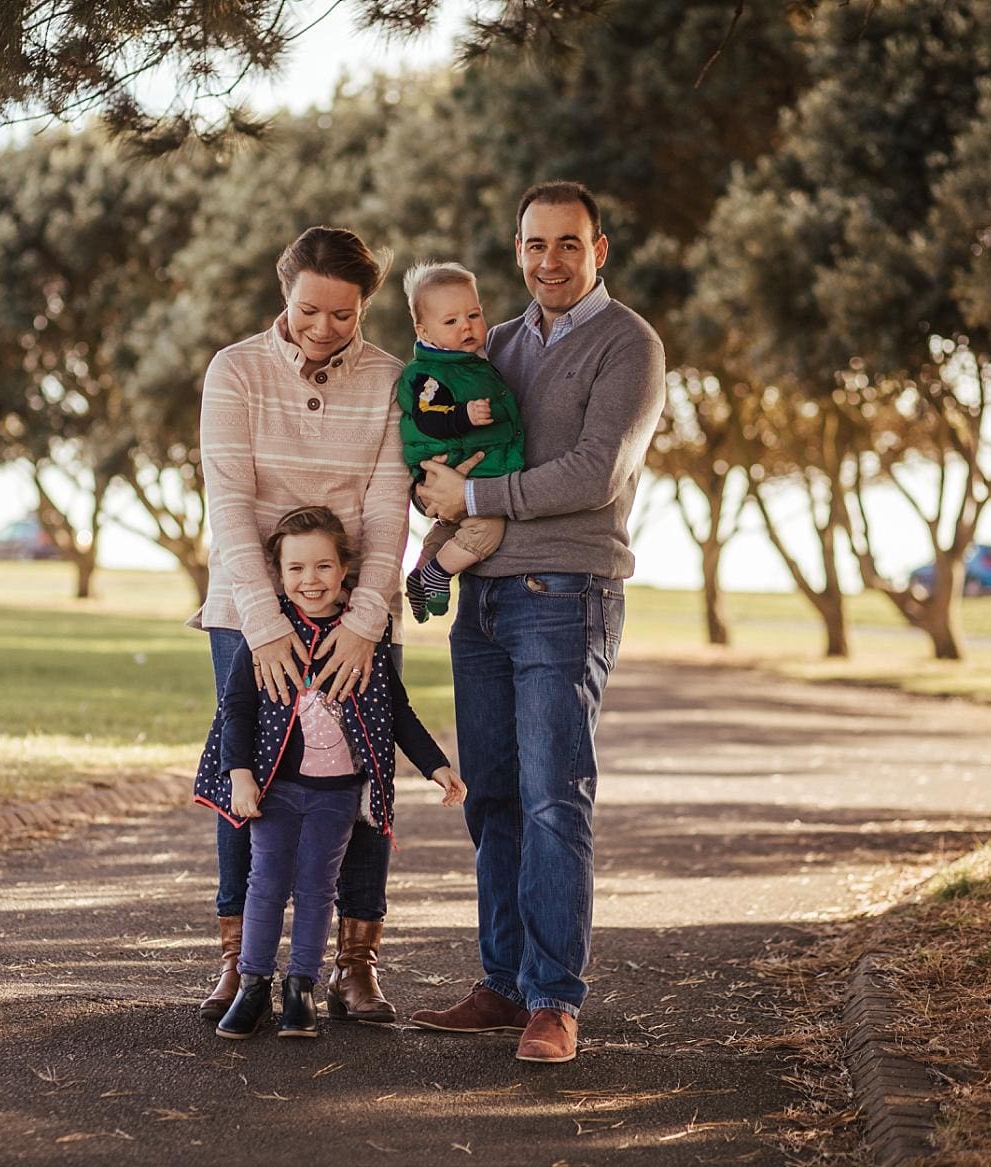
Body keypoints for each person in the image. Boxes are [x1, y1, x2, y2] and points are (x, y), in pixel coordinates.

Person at [409, 182, 666, 1064]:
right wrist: (430, 500)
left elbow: (595, 472)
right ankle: (503, 982)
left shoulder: (629, 344)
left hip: (567, 594)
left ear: (602, 248)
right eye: (532, 245)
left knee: (557, 797)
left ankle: (555, 998)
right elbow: (444, 453)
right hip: (479, 597)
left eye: (567, 243)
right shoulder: (497, 342)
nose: (548, 261)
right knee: (494, 795)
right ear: (515, 249)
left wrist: (474, 497)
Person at [190, 226, 415, 1024]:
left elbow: (388, 515)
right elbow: (228, 504)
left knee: (356, 782)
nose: (324, 329)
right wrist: (265, 625)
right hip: (249, 611)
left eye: (344, 316)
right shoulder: (235, 370)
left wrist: (364, 621)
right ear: (284, 295)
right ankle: (236, 963)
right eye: (309, 311)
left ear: (365, 308)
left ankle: (356, 965)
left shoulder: (393, 379)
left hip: (356, 613)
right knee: (248, 782)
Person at [194, 507, 465, 1039]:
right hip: (277, 787)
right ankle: (252, 986)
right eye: (296, 569)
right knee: (266, 885)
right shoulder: (265, 632)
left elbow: (397, 712)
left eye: (322, 567)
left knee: (319, 889)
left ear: (346, 571)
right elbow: (237, 710)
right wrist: (241, 776)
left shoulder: (367, 635)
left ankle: (301, 990)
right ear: (279, 574)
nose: (309, 580)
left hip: (338, 795)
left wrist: (436, 766)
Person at [395, 261, 524, 623]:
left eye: (473, 314)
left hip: (469, 471)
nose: (466, 326)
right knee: (487, 529)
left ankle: (422, 572)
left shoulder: (472, 363)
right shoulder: (429, 373)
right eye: (451, 321)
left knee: (449, 529)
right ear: (424, 330)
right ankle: (439, 574)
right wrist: (463, 416)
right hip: (455, 467)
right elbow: (427, 417)